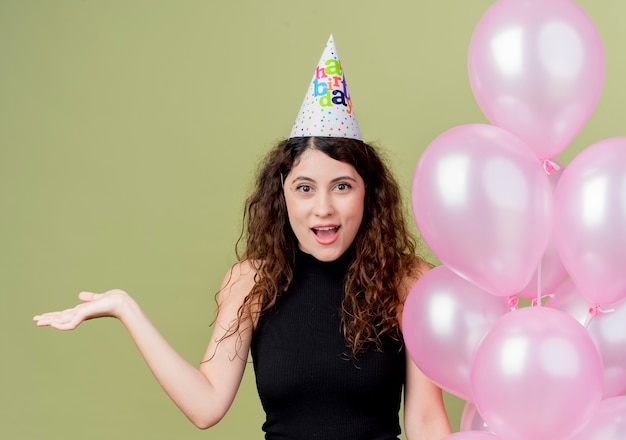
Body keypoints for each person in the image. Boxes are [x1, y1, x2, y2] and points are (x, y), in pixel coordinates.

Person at [33, 35, 452, 440]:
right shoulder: (251, 282)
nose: (323, 207)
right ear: (282, 194)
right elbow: (206, 405)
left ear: (369, 193)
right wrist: (126, 309)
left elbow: (427, 425)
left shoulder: (409, 282)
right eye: (305, 188)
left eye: (342, 186)